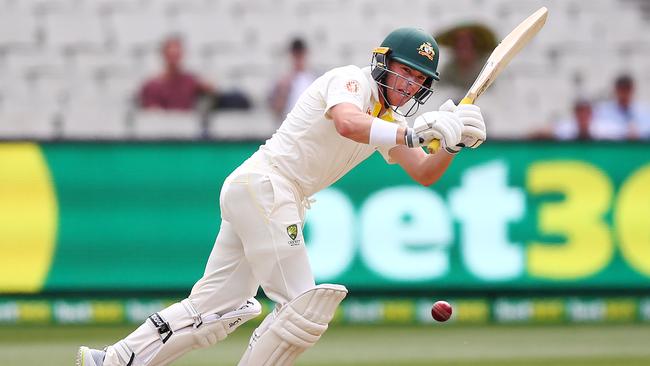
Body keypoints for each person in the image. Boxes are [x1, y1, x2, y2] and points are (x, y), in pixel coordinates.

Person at [77, 27, 487, 366]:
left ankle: (113, 360)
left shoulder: (389, 120)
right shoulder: (350, 80)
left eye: (419, 80)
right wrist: (414, 131)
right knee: (302, 308)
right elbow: (347, 123)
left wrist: (452, 145)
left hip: (263, 193)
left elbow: (423, 170)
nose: (410, 84)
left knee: (217, 309)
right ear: (382, 63)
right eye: (404, 71)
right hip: (267, 186)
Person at [139, 36, 215, 111]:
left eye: (177, 55)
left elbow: (210, 91)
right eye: (171, 55)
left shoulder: (190, 81)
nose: (174, 60)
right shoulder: (151, 86)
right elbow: (152, 113)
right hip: (162, 122)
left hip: (187, 121)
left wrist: (209, 89)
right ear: (163, 55)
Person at [268, 37, 318, 123]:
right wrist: (283, 92)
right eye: (295, 54)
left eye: (300, 54)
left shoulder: (314, 80)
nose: (298, 58)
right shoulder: (282, 82)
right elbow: (276, 112)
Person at [591, 74, 650, 140]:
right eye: (621, 89)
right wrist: (624, 132)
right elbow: (597, 131)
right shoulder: (602, 111)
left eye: (627, 89)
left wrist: (639, 133)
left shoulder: (644, 111)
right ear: (615, 90)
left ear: (633, 90)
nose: (624, 93)